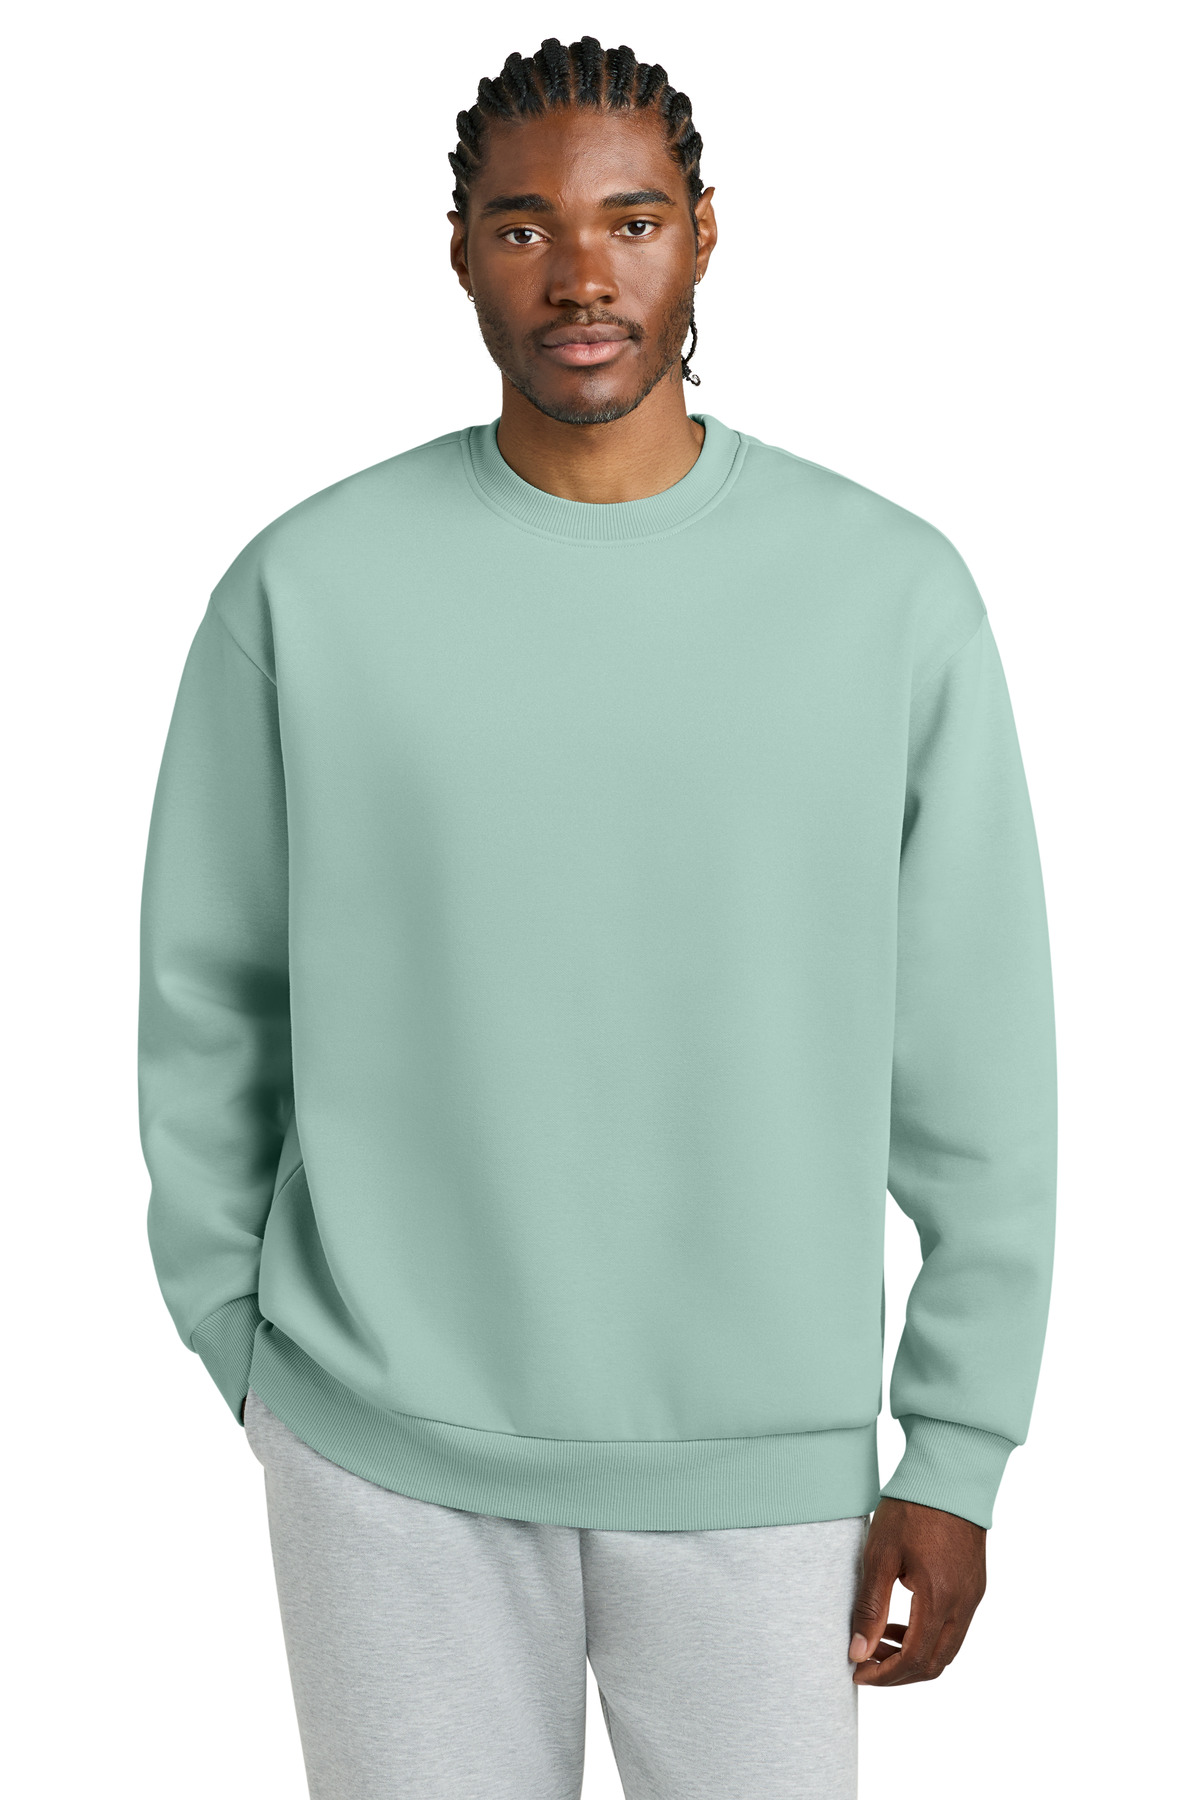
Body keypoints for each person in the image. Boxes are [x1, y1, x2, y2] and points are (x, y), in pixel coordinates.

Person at [138, 36, 1057, 1800]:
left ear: (705, 233)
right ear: (460, 250)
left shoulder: (890, 596)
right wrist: (245, 1347)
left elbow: (981, 1068)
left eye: (631, 221)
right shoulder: (305, 591)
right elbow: (207, 1003)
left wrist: (955, 1450)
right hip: (382, 1451)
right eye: (525, 226)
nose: (580, 276)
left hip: (762, 1468)